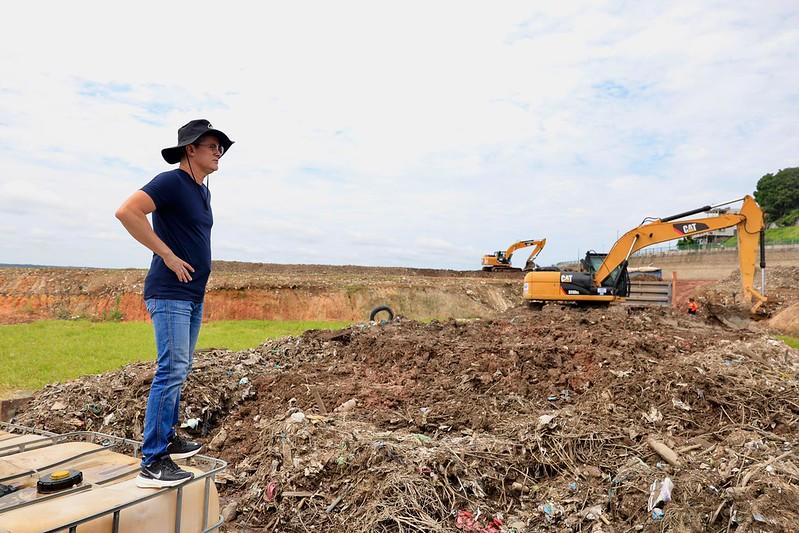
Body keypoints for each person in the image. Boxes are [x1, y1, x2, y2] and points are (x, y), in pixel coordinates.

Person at [115, 119, 234, 487]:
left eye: (221, 147)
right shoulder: (171, 182)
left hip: (191, 295)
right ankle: (152, 462)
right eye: (212, 145)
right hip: (169, 292)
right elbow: (127, 211)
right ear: (190, 150)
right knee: (170, 370)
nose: (219, 152)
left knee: (179, 370)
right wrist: (166, 254)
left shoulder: (202, 192)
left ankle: (167, 437)